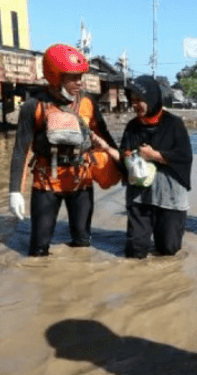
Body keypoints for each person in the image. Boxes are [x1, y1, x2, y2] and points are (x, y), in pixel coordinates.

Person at [8, 43, 120, 257]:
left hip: (81, 182)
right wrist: (15, 191)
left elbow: (106, 138)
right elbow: (20, 151)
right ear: (55, 76)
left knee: (82, 244)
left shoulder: (88, 102)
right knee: (38, 250)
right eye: (72, 77)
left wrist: (124, 169)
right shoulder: (34, 106)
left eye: (81, 77)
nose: (79, 82)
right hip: (46, 183)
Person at [94, 75, 193, 259]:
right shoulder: (132, 126)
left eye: (140, 100)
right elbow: (125, 157)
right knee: (135, 252)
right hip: (140, 196)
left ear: (153, 98)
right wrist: (107, 149)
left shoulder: (174, 124)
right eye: (133, 101)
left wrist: (155, 156)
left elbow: (184, 157)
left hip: (169, 197)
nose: (135, 105)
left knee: (168, 250)